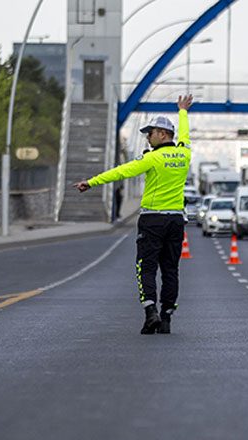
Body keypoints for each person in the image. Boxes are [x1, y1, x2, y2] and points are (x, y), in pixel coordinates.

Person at [74, 95, 193, 334]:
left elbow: (121, 172)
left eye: (150, 134)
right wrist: (182, 112)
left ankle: (151, 313)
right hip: (176, 220)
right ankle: (167, 316)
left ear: (161, 133)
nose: (147, 138)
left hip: (152, 220)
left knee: (146, 267)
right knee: (170, 269)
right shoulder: (184, 154)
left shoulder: (152, 158)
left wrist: (92, 182)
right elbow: (185, 136)